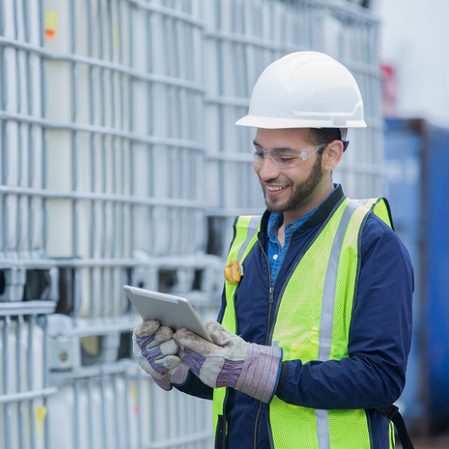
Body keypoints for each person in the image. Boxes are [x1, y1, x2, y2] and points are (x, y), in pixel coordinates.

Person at [133, 51, 414, 449]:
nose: (266, 170)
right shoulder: (248, 243)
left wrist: (265, 372)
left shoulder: (371, 244)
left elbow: (380, 376)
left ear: (332, 154)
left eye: (284, 156)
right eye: (260, 152)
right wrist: (180, 366)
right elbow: (233, 376)